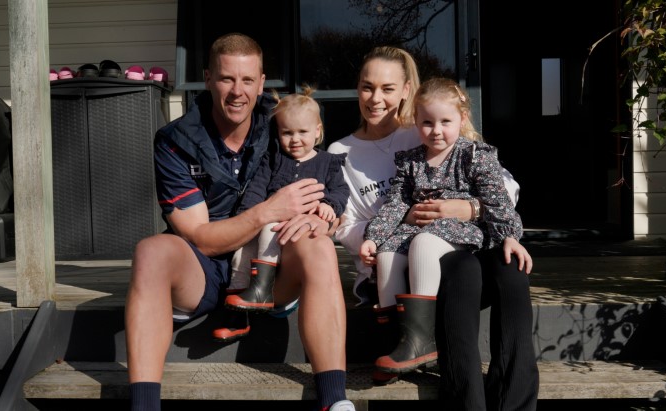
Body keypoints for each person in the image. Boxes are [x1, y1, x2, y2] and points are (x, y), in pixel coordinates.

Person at [124, 33, 356, 411]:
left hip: (270, 269)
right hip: (203, 266)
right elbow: (202, 238)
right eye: (227, 79)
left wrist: (323, 222)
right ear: (208, 78)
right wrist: (267, 210)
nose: (237, 91)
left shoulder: (281, 126)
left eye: (248, 80)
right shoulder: (176, 140)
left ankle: (334, 400)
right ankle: (145, 405)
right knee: (150, 251)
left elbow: (324, 184)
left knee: (318, 246)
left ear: (262, 82)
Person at [327, 46, 539, 410]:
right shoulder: (341, 151)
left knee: (512, 272)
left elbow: (506, 187)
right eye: (367, 87)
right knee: (463, 270)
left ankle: (516, 401)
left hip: (464, 235)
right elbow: (345, 223)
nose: (376, 98)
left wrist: (467, 207)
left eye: (388, 88)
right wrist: (392, 226)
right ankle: (464, 398)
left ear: (406, 91)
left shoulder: (426, 127)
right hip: (408, 259)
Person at [358, 76, 532, 378]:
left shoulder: (475, 155)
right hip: (417, 229)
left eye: (445, 122)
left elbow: (496, 200)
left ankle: (422, 340)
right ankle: (398, 345)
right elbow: (397, 203)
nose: (436, 131)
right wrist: (374, 237)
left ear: (461, 118)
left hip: (458, 229)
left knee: (424, 242)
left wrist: (510, 236)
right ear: (416, 121)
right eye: (427, 123)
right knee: (387, 256)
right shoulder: (411, 161)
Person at [212, 86, 349, 341]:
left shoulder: (328, 163)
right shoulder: (273, 159)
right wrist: (246, 218)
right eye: (287, 133)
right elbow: (257, 188)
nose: (294, 139)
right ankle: (237, 314)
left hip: (295, 232)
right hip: (267, 222)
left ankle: (262, 289)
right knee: (240, 255)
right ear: (278, 133)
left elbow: (341, 191)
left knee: (269, 227)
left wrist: (330, 205)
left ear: (317, 131)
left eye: (302, 132)